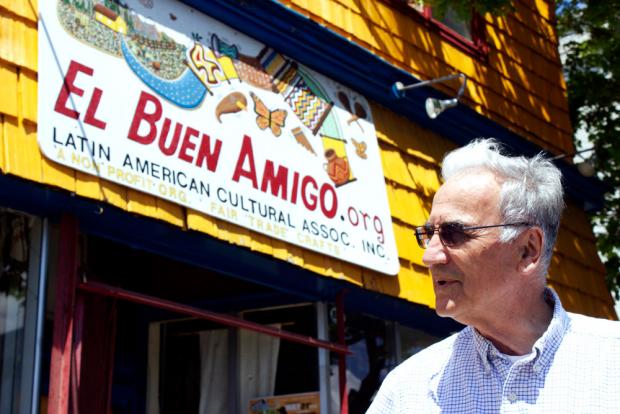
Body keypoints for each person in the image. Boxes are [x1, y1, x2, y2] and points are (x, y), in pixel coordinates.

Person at [367, 139, 620, 413]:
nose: (429, 257)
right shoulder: (408, 391)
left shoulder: (610, 361)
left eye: (454, 233)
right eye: (428, 235)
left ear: (527, 250)